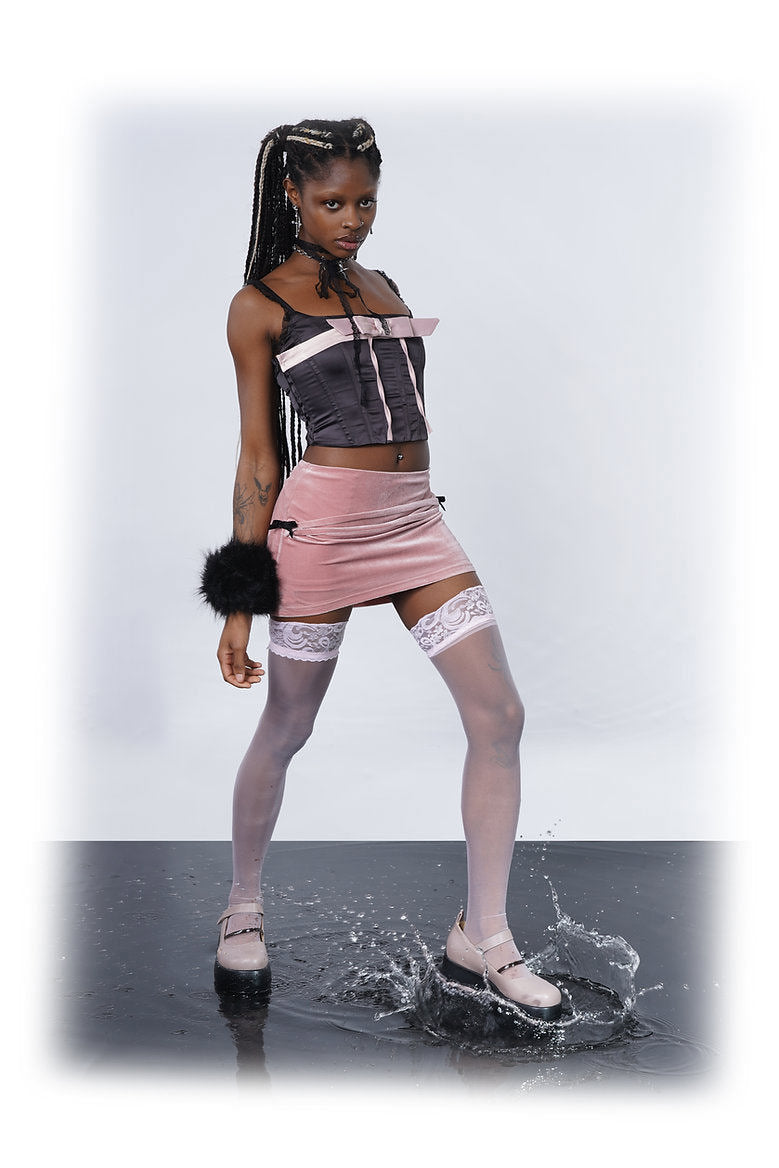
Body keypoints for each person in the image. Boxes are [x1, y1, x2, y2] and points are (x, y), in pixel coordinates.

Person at [200, 117, 562, 1022]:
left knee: (500, 714)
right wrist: (238, 604)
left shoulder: (381, 283)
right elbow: (257, 458)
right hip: (322, 530)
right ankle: (242, 906)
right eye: (333, 203)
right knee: (288, 723)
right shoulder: (259, 304)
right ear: (291, 196)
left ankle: (483, 936)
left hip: (414, 523)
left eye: (365, 202)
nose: (353, 219)